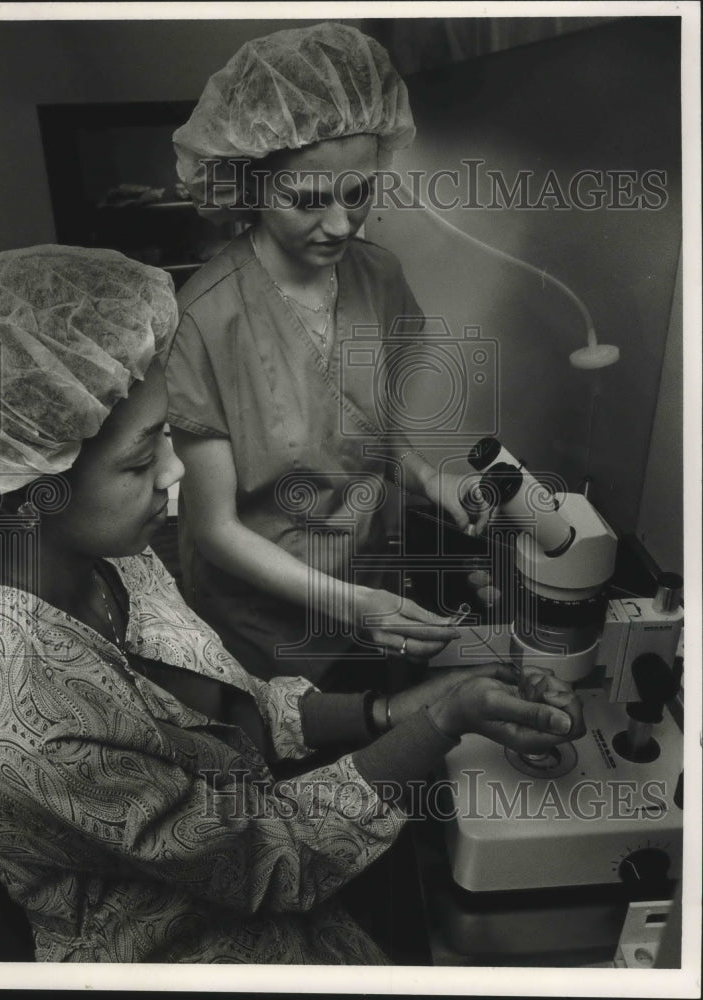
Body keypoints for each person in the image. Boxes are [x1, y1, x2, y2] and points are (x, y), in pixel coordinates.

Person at [0, 245, 584, 965]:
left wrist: (389, 711)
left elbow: (230, 712)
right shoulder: (24, 718)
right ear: (30, 487)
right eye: (140, 458)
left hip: (258, 854)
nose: (175, 472)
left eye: (166, 437)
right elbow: (272, 856)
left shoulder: (110, 563)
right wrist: (443, 720)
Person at [165, 22, 485, 687]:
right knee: (303, 761)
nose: (341, 225)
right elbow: (217, 529)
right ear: (252, 187)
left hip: (371, 574)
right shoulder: (205, 317)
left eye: (358, 193)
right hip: (267, 622)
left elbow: (368, 429)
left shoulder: (379, 277)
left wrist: (433, 482)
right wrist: (352, 608)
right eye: (307, 201)